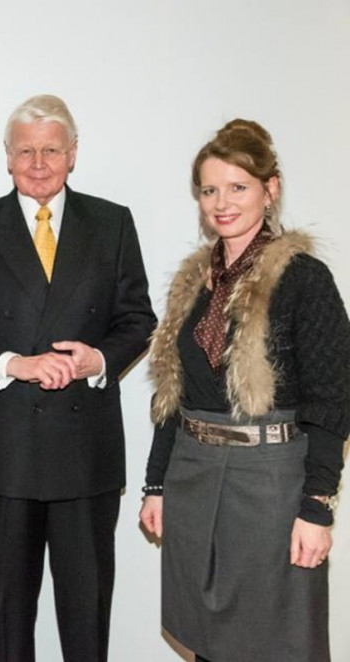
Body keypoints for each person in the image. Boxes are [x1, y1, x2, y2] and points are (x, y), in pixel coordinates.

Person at [0, 94, 156, 662]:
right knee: (11, 617)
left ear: (73, 154)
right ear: (8, 157)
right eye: (26, 151)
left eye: (51, 151)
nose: (39, 164)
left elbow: (138, 320)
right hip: (8, 451)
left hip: (87, 453)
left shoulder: (111, 222)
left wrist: (96, 360)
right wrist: (16, 364)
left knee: (87, 616)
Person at [139, 119, 350, 662]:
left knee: (276, 641)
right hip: (192, 475)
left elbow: (332, 399)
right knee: (207, 643)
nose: (222, 203)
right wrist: (156, 484)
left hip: (271, 483)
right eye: (209, 190)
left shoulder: (304, 278)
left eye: (238, 187)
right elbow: (172, 391)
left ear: (269, 189)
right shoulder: (192, 282)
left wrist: (317, 507)